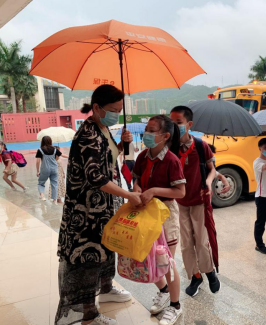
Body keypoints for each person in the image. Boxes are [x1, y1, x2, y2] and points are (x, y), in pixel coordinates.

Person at [56, 85, 142, 325]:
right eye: (113, 110)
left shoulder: (103, 128)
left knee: (104, 250)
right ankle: (88, 315)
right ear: (96, 108)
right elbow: (95, 177)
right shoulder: (87, 134)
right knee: (88, 258)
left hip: (101, 208)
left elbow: (108, 158)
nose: (117, 114)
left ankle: (105, 288)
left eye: (119, 110)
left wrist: (123, 145)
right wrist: (128, 194)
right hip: (85, 212)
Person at [132, 115, 185, 325]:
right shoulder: (143, 156)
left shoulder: (171, 160)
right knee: (150, 259)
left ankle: (175, 306)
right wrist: (137, 188)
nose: (147, 134)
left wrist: (153, 191)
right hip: (145, 213)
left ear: (165, 136)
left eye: (152, 130)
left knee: (167, 262)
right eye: (146, 129)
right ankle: (163, 290)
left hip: (165, 215)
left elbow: (180, 191)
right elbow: (136, 178)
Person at [169, 106, 221, 297]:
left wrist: (208, 182)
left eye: (178, 123)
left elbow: (212, 169)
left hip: (199, 200)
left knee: (201, 241)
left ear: (189, 124)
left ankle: (210, 272)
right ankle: (195, 276)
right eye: (171, 123)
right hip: (179, 203)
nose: (174, 127)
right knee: (185, 244)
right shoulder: (170, 148)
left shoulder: (200, 146)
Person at [36, 136, 60, 203]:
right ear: (50, 141)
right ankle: (54, 199)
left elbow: (37, 162)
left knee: (41, 183)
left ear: (42, 142)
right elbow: (57, 158)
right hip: (54, 169)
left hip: (45, 169)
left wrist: (37, 171)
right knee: (54, 184)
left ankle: (42, 196)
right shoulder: (55, 149)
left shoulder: (40, 150)